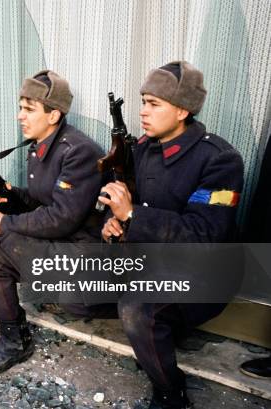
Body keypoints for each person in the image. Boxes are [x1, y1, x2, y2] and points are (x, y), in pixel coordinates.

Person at [94, 61, 244, 409]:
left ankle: (170, 392)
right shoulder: (142, 148)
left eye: (154, 103)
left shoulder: (220, 160)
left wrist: (132, 215)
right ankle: (163, 332)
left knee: (137, 308)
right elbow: (114, 196)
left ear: (183, 110)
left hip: (205, 275)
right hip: (153, 262)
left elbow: (204, 236)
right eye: (143, 101)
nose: (142, 112)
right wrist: (113, 224)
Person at [0, 70, 105, 375]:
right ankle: (52, 295)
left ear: (54, 114)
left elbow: (61, 218)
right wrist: (13, 195)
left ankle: (16, 340)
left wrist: (7, 223)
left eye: (29, 109)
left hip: (85, 256)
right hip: (64, 243)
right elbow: (47, 201)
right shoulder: (41, 145)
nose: (20, 116)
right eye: (21, 108)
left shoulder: (78, 151)